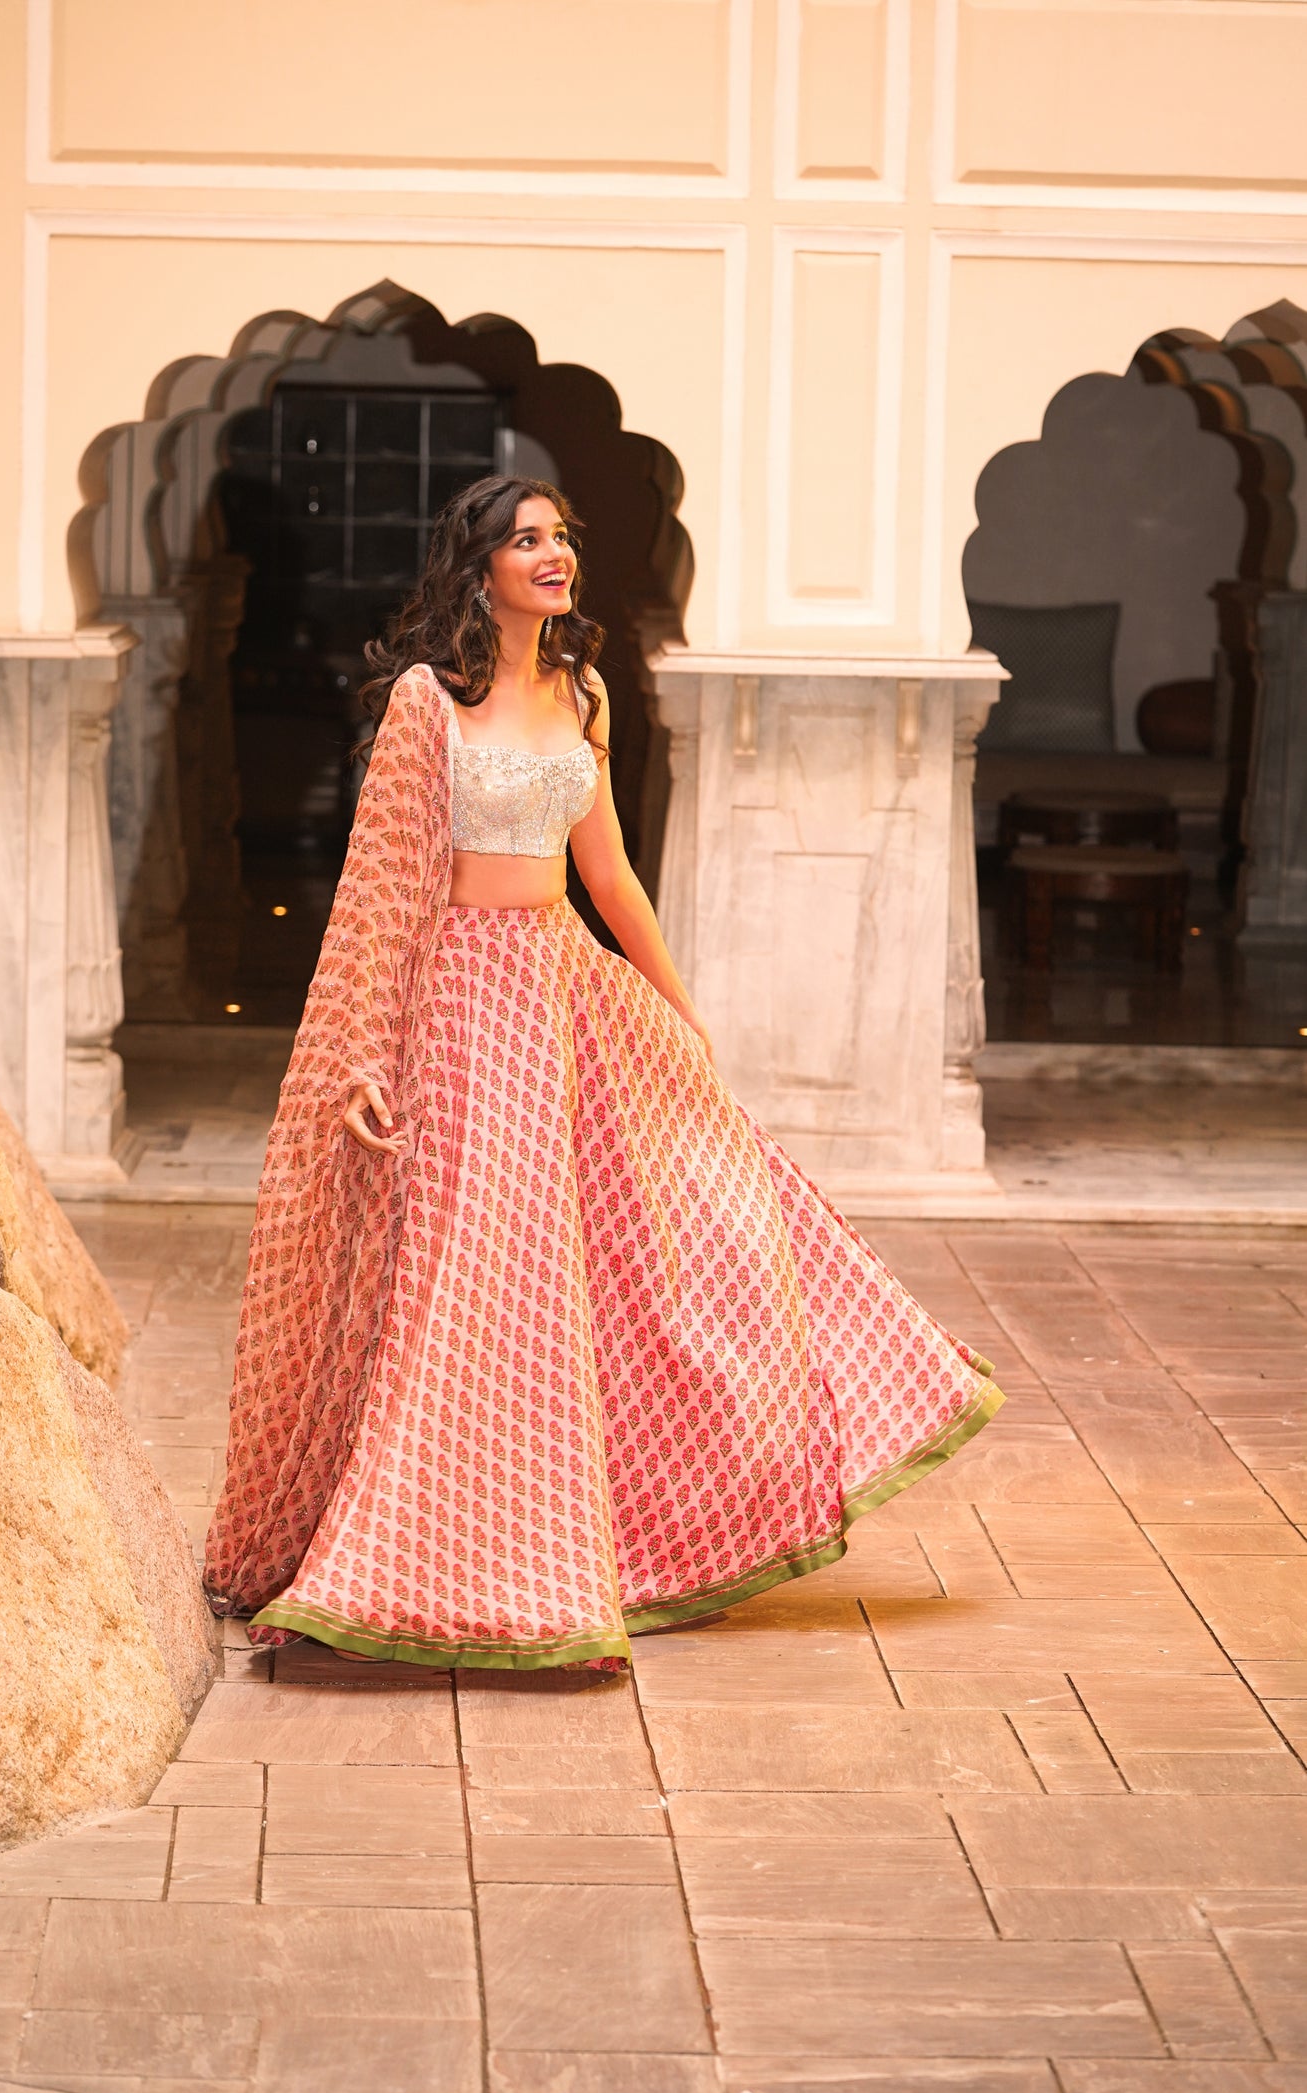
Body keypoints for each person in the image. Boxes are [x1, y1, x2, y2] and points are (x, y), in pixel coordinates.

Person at [204, 476, 1003, 1670]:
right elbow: (377, 890)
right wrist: (365, 1051)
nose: (555, 553)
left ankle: (599, 1536)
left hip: (565, 991)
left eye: (562, 535)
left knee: (692, 1240)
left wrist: (680, 1014)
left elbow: (610, 868)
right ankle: (428, 1558)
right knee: (475, 1284)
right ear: (478, 568)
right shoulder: (433, 699)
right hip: (460, 1006)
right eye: (527, 540)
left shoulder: (581, 691)